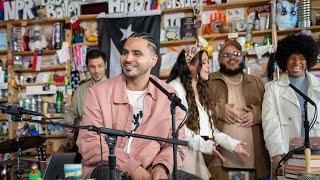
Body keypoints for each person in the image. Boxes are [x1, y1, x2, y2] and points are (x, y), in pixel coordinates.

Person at [76, 33, 192, 180]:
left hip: (150, 170)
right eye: (125, 53)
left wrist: (162, 166)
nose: (128, 58)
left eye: (137, 53)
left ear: (153, 60)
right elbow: (90, 144)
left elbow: (176, 146)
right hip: (108, 170)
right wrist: (131, 166)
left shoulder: (168, 95)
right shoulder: (99, 93)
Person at [166, 46, 249, 179]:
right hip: (181, 156)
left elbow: (210, 130)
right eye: (204, 62)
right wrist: (206, 145)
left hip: (195, 154)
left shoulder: (199, 89)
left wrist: (231, 144)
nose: (208, 65)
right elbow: (177, 131)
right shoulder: (175, 89)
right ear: (190, 65)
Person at [207, 40, 270, 179]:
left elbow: (271, 111)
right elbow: (194, 110)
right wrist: (218, 109)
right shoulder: (208, 81)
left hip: (253, 161)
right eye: (226, 55)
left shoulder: (256, 82)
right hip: (219, 161)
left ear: (243, 57)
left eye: (236, 54)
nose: (232, 57)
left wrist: (257, 114)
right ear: (218, 59)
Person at [262, 34, 320, 175]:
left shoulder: (318, 85)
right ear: (284, 60)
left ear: (308, 60)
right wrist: (276, 156)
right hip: (287, 155)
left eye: (302, 58)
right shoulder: (272, 88)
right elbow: (270, 125)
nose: (296, 62)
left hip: (317, 154)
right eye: (292, 57)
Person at [64, 49, 107, 152]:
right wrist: (71, 125)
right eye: (92, 67)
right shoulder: (80, 90)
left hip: (108, 145)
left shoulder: (115, 88)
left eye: (100, 66)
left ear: (105, 65)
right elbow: (71, 113)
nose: (96, 71)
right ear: (87, 68)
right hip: (84, 145)